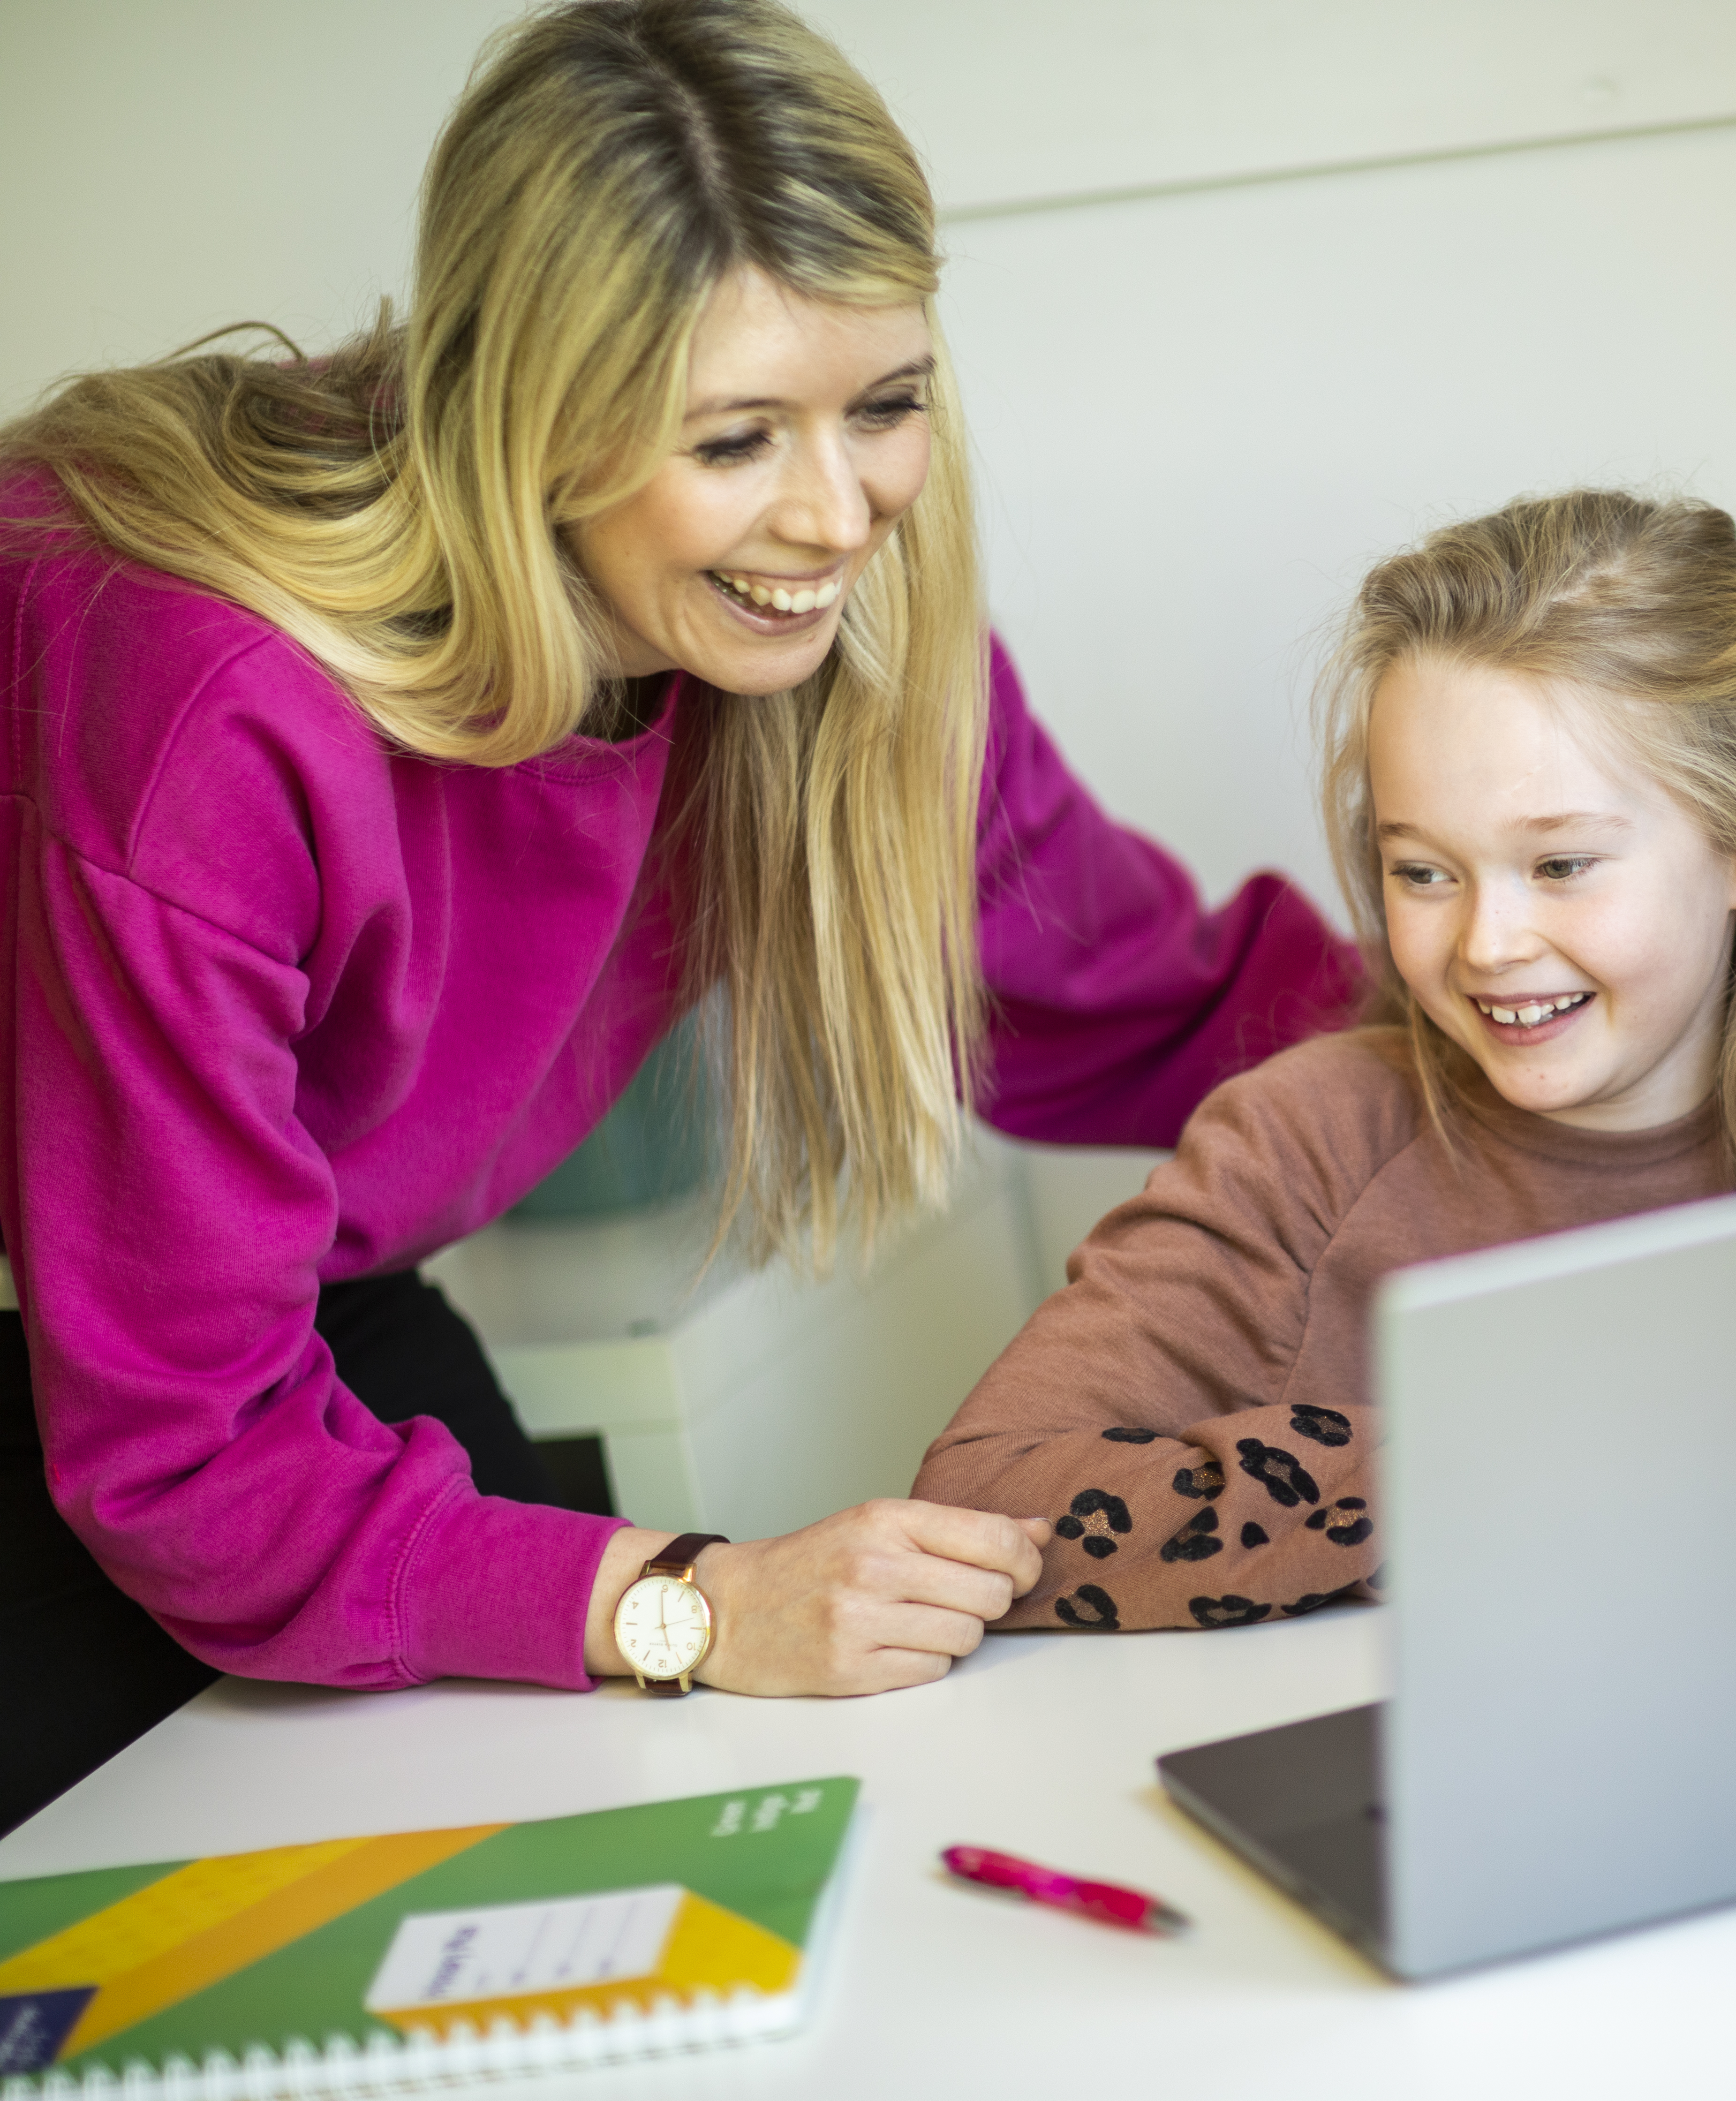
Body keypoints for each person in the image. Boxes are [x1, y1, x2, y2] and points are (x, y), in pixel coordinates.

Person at [0, 0, 1359, 1833]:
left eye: (883, 408)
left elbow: (1154, 1001)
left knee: (513, 1836)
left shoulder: (846, 639)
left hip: (273, 1280)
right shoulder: (212, 709)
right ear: (530, 426)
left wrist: (1619, 1052)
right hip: (100, 1334)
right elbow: (189, 1458)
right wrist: (707, 1599)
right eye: (733, 439)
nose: (835, 513)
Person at [916, 489, 1736, 1631]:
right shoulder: (1305, 1144)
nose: (1487, 945)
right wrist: (1498, 1466)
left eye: (1560, 867)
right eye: (1424, 872)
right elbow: (980, 1496)